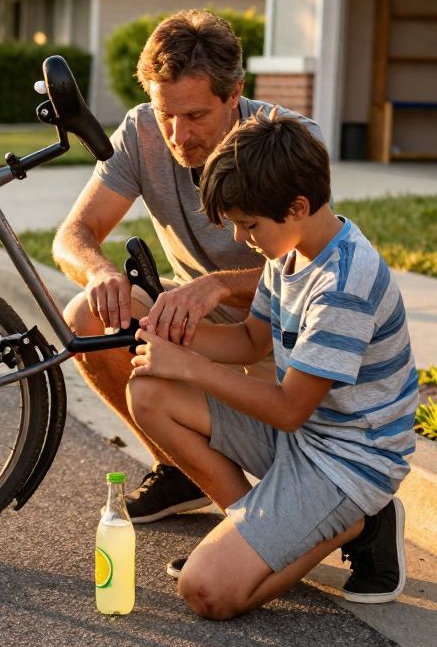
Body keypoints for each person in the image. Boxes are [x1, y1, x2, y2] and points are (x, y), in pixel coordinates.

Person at [127, 111, 415, 618]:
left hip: (348, 463)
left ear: (298, 206)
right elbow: (250, 340)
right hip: (304, 440)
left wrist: (188, 366)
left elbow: (287, 409)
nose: (241, 238)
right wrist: (169, 330)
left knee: (207, 593)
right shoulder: (290, 252)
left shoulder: (343, 285)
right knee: (150, 390)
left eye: (248, 224)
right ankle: (252, 531)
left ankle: (364, 523)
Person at [52, 9, 323, 522]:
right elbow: (73, 235)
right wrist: (100, 274)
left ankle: (277, 525)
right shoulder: (142, 131)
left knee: (303, 470)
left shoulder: (286, 141)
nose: (178, 134)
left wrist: (219, 286)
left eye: (195, 116)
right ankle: (182, 473)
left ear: (235, 92)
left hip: (278, 322)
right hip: (188, 312)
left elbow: (315, 268)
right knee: (88, 314)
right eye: (166, 113)